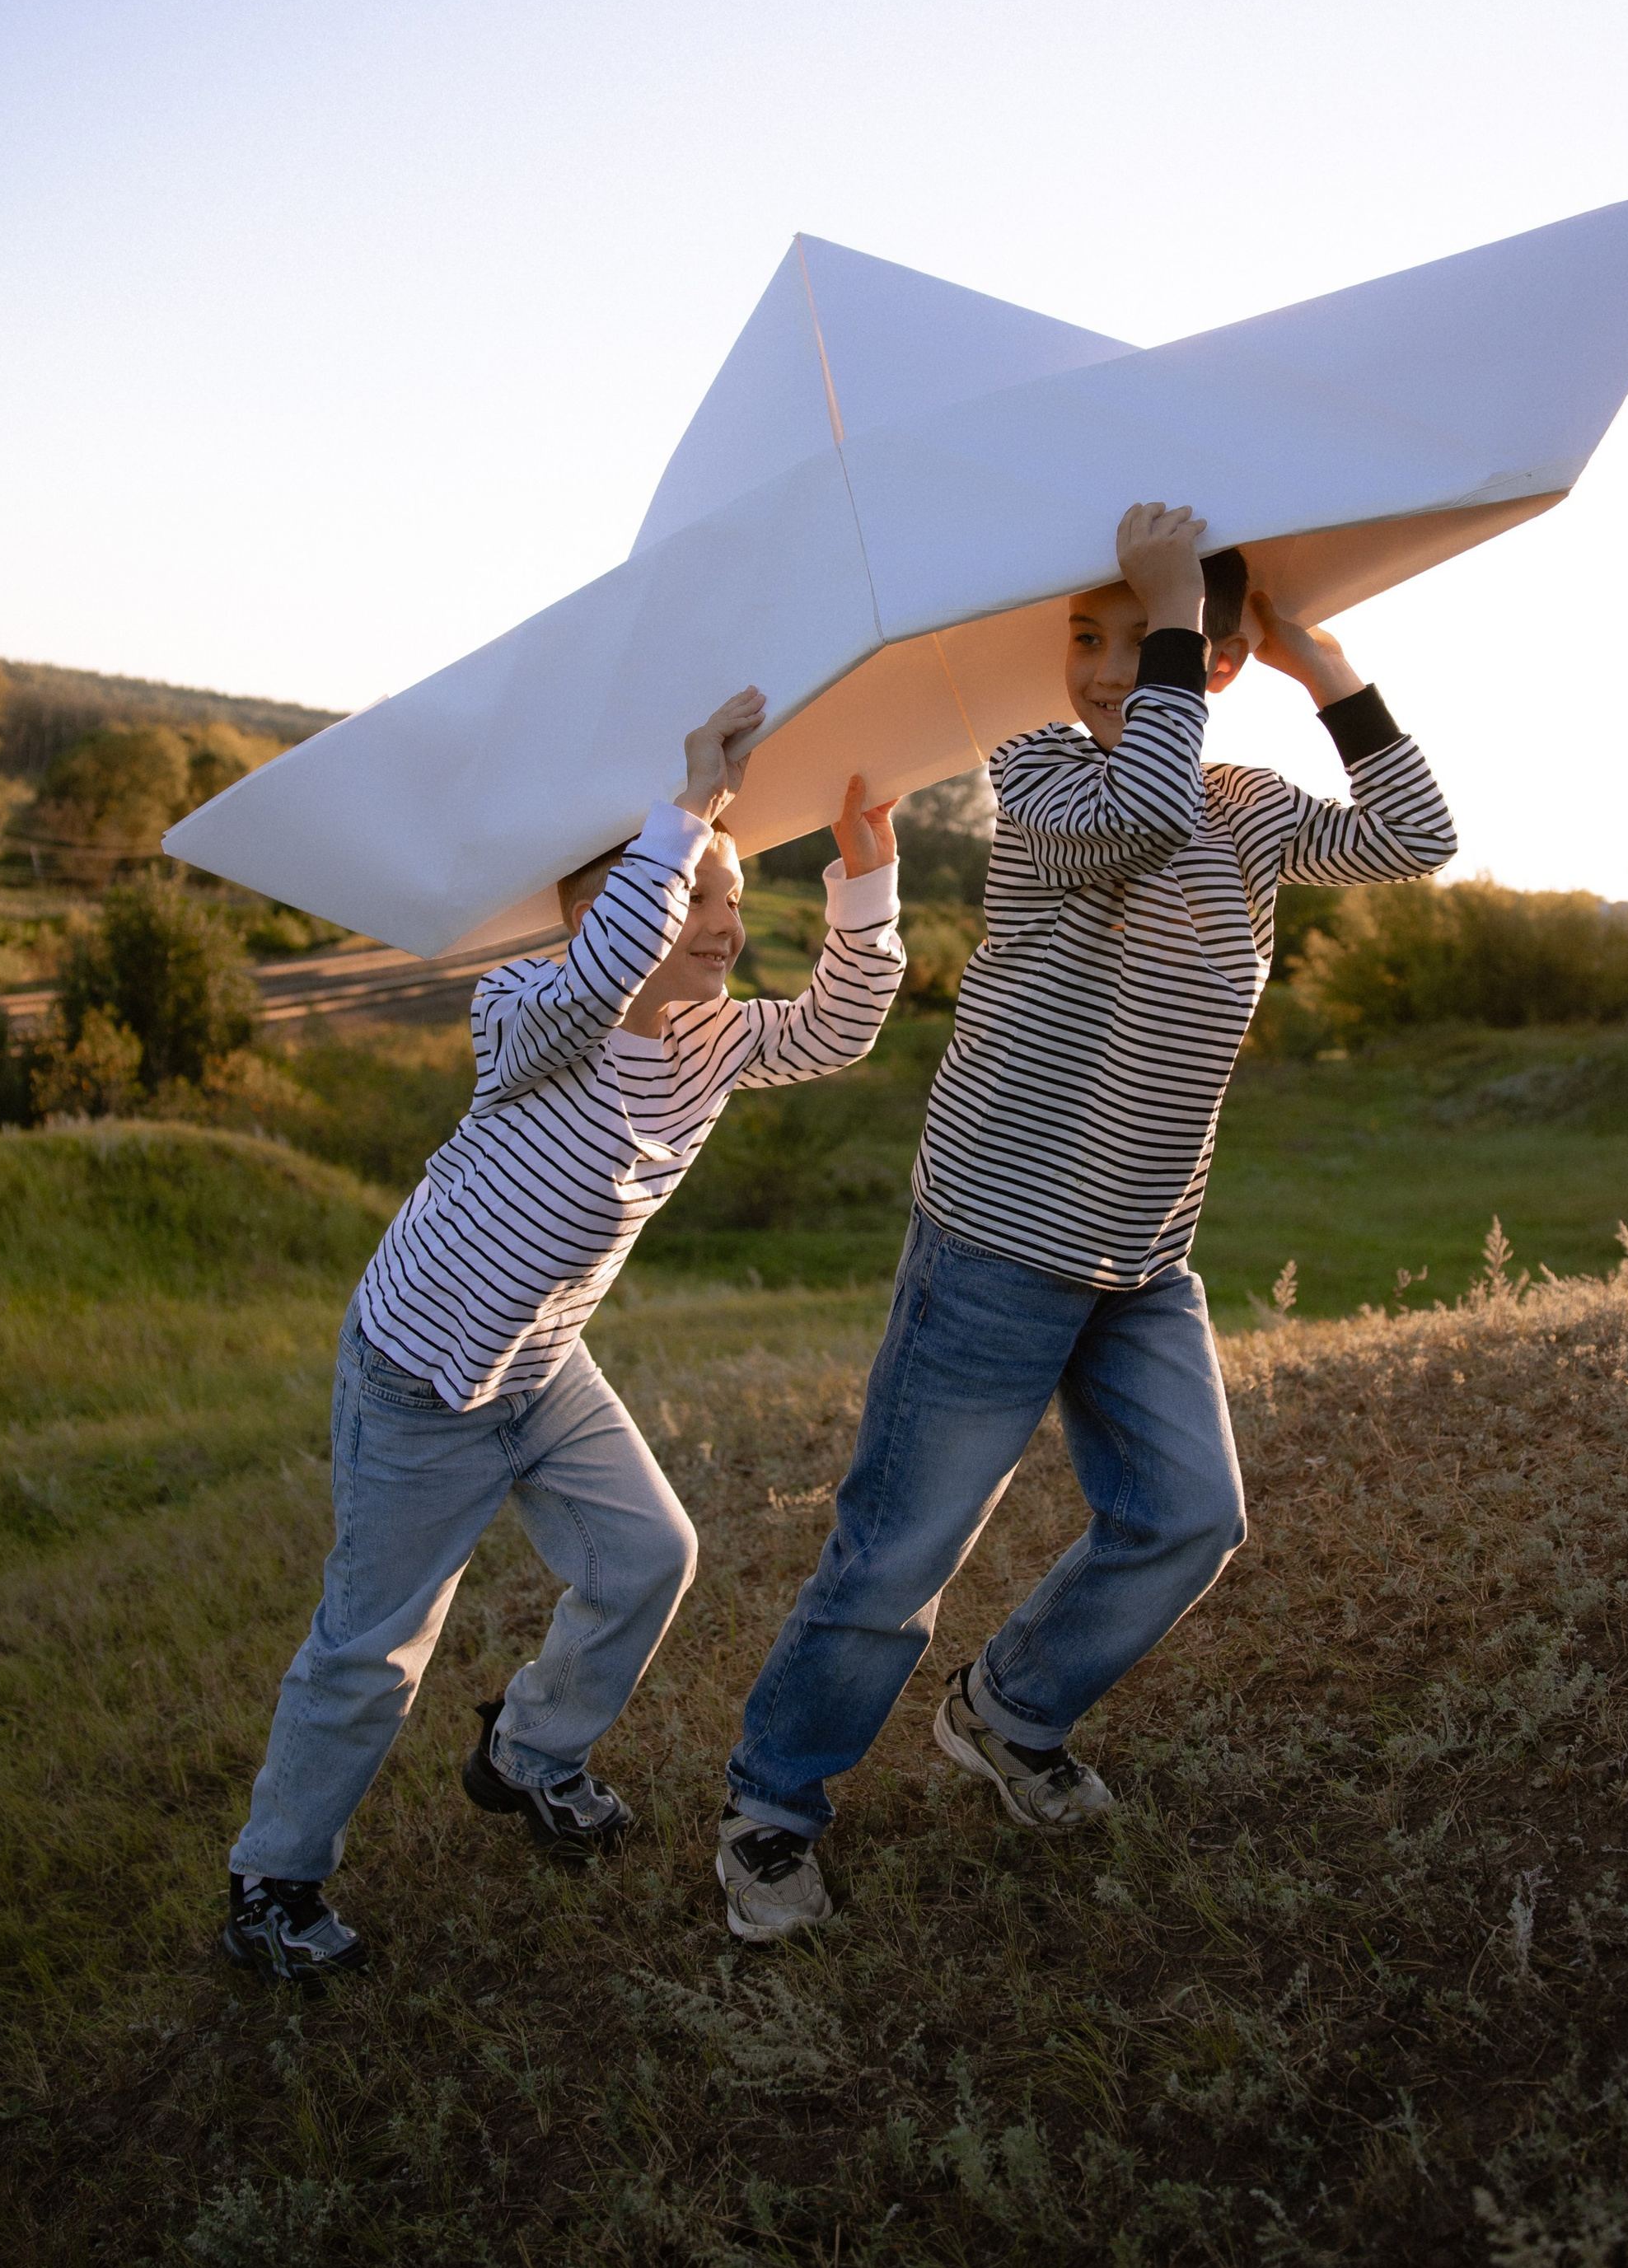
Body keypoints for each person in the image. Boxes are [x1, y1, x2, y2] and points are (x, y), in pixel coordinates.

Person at [717, 503, 1457, 1940]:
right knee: (897, 1557)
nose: (1110, 667)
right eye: (1086, 636)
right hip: (994, 1236)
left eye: (1144, 638)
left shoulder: (1241, 804)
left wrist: (1322, 665)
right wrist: (1186, 614)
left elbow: (1417, 835)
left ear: (1215, 658)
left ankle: (1009, 1711)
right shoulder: (1045, 772)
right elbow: (1142, 809)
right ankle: (769, 1811)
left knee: (1188, 1516)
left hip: (1141, 1253)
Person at [226, 686, 906, 1980]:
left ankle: (527, 1752)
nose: (724, 924)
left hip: (543, 1364)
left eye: (732, 903)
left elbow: (836, 1026)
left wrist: (863, 886)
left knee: (651, 1552)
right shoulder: (524, 1013)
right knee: (374, 1649)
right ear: (607, 905)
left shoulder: (708, 1043)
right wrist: (689, 809)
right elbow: (601, 976)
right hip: (423, 1372)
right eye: (698, 897)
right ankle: (273, 1878)